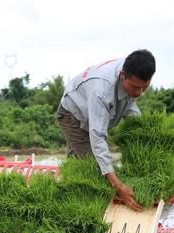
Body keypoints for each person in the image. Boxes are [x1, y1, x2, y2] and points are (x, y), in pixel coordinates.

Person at [57, 49, 156, 212]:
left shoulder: (135, 67)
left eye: (144, 88)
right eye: (135, 87)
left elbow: (131, 107)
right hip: (73, 114)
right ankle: (87, 211)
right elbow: (97, 138)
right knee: (94, 169)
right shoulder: (101, 91)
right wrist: (118, 185)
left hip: (90, 110)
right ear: (123, 75)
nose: (138, 93)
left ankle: (62, 194)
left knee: (77, 165)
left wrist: (144, 136)